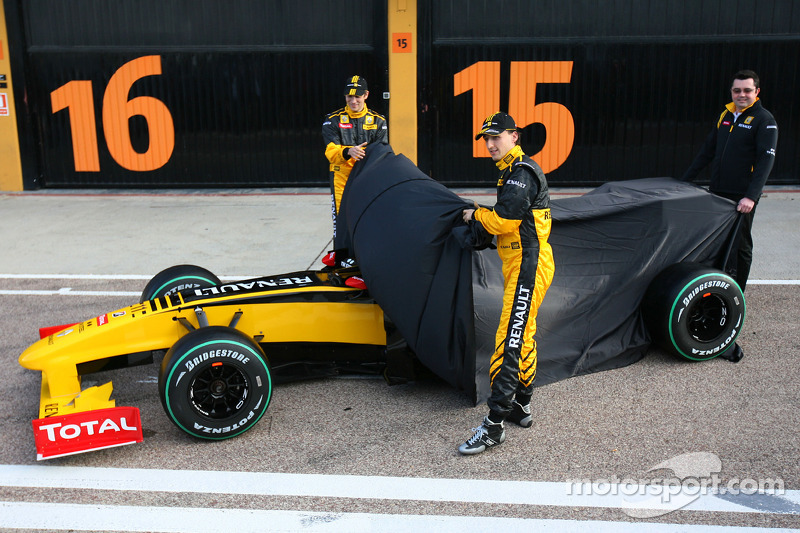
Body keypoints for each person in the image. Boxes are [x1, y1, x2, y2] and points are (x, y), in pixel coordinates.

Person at [459, 112, 555, 455]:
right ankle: (521, 406)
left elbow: (503, 220)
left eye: (496, 137)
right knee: (524, 335)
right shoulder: (512, 172)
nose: (490, 144)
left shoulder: (520, 172)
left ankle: (494, 425)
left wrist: (475, 214)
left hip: (528, 266)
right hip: (523, 264)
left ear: (514, 136)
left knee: (508, 341)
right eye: (486, 139)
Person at [681, 70, 778, 293]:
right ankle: (717, 287)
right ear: (731, 92)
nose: (741, 95)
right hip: (717, 190)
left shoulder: (765, 121)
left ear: (757, 92)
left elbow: (766, 161)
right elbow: (707, 151)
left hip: (742, 196)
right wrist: (684, 181)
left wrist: (751, 196)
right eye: (737, 90)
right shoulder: (725, 115)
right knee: (718, 242)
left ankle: (737, 294)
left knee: (740, 245)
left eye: (747, 90)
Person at [322, 75, 388, 238]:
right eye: (349, 96)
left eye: (357, 96)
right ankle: (341, 259)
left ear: (366, 95)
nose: (353, 101)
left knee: (368, 220)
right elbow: (331, 152)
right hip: (341, 178)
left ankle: (364, 260)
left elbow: (383, 153)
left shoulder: (378, 121)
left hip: (368, 178)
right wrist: (348, 151)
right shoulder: (332, 120)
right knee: (341, 223)